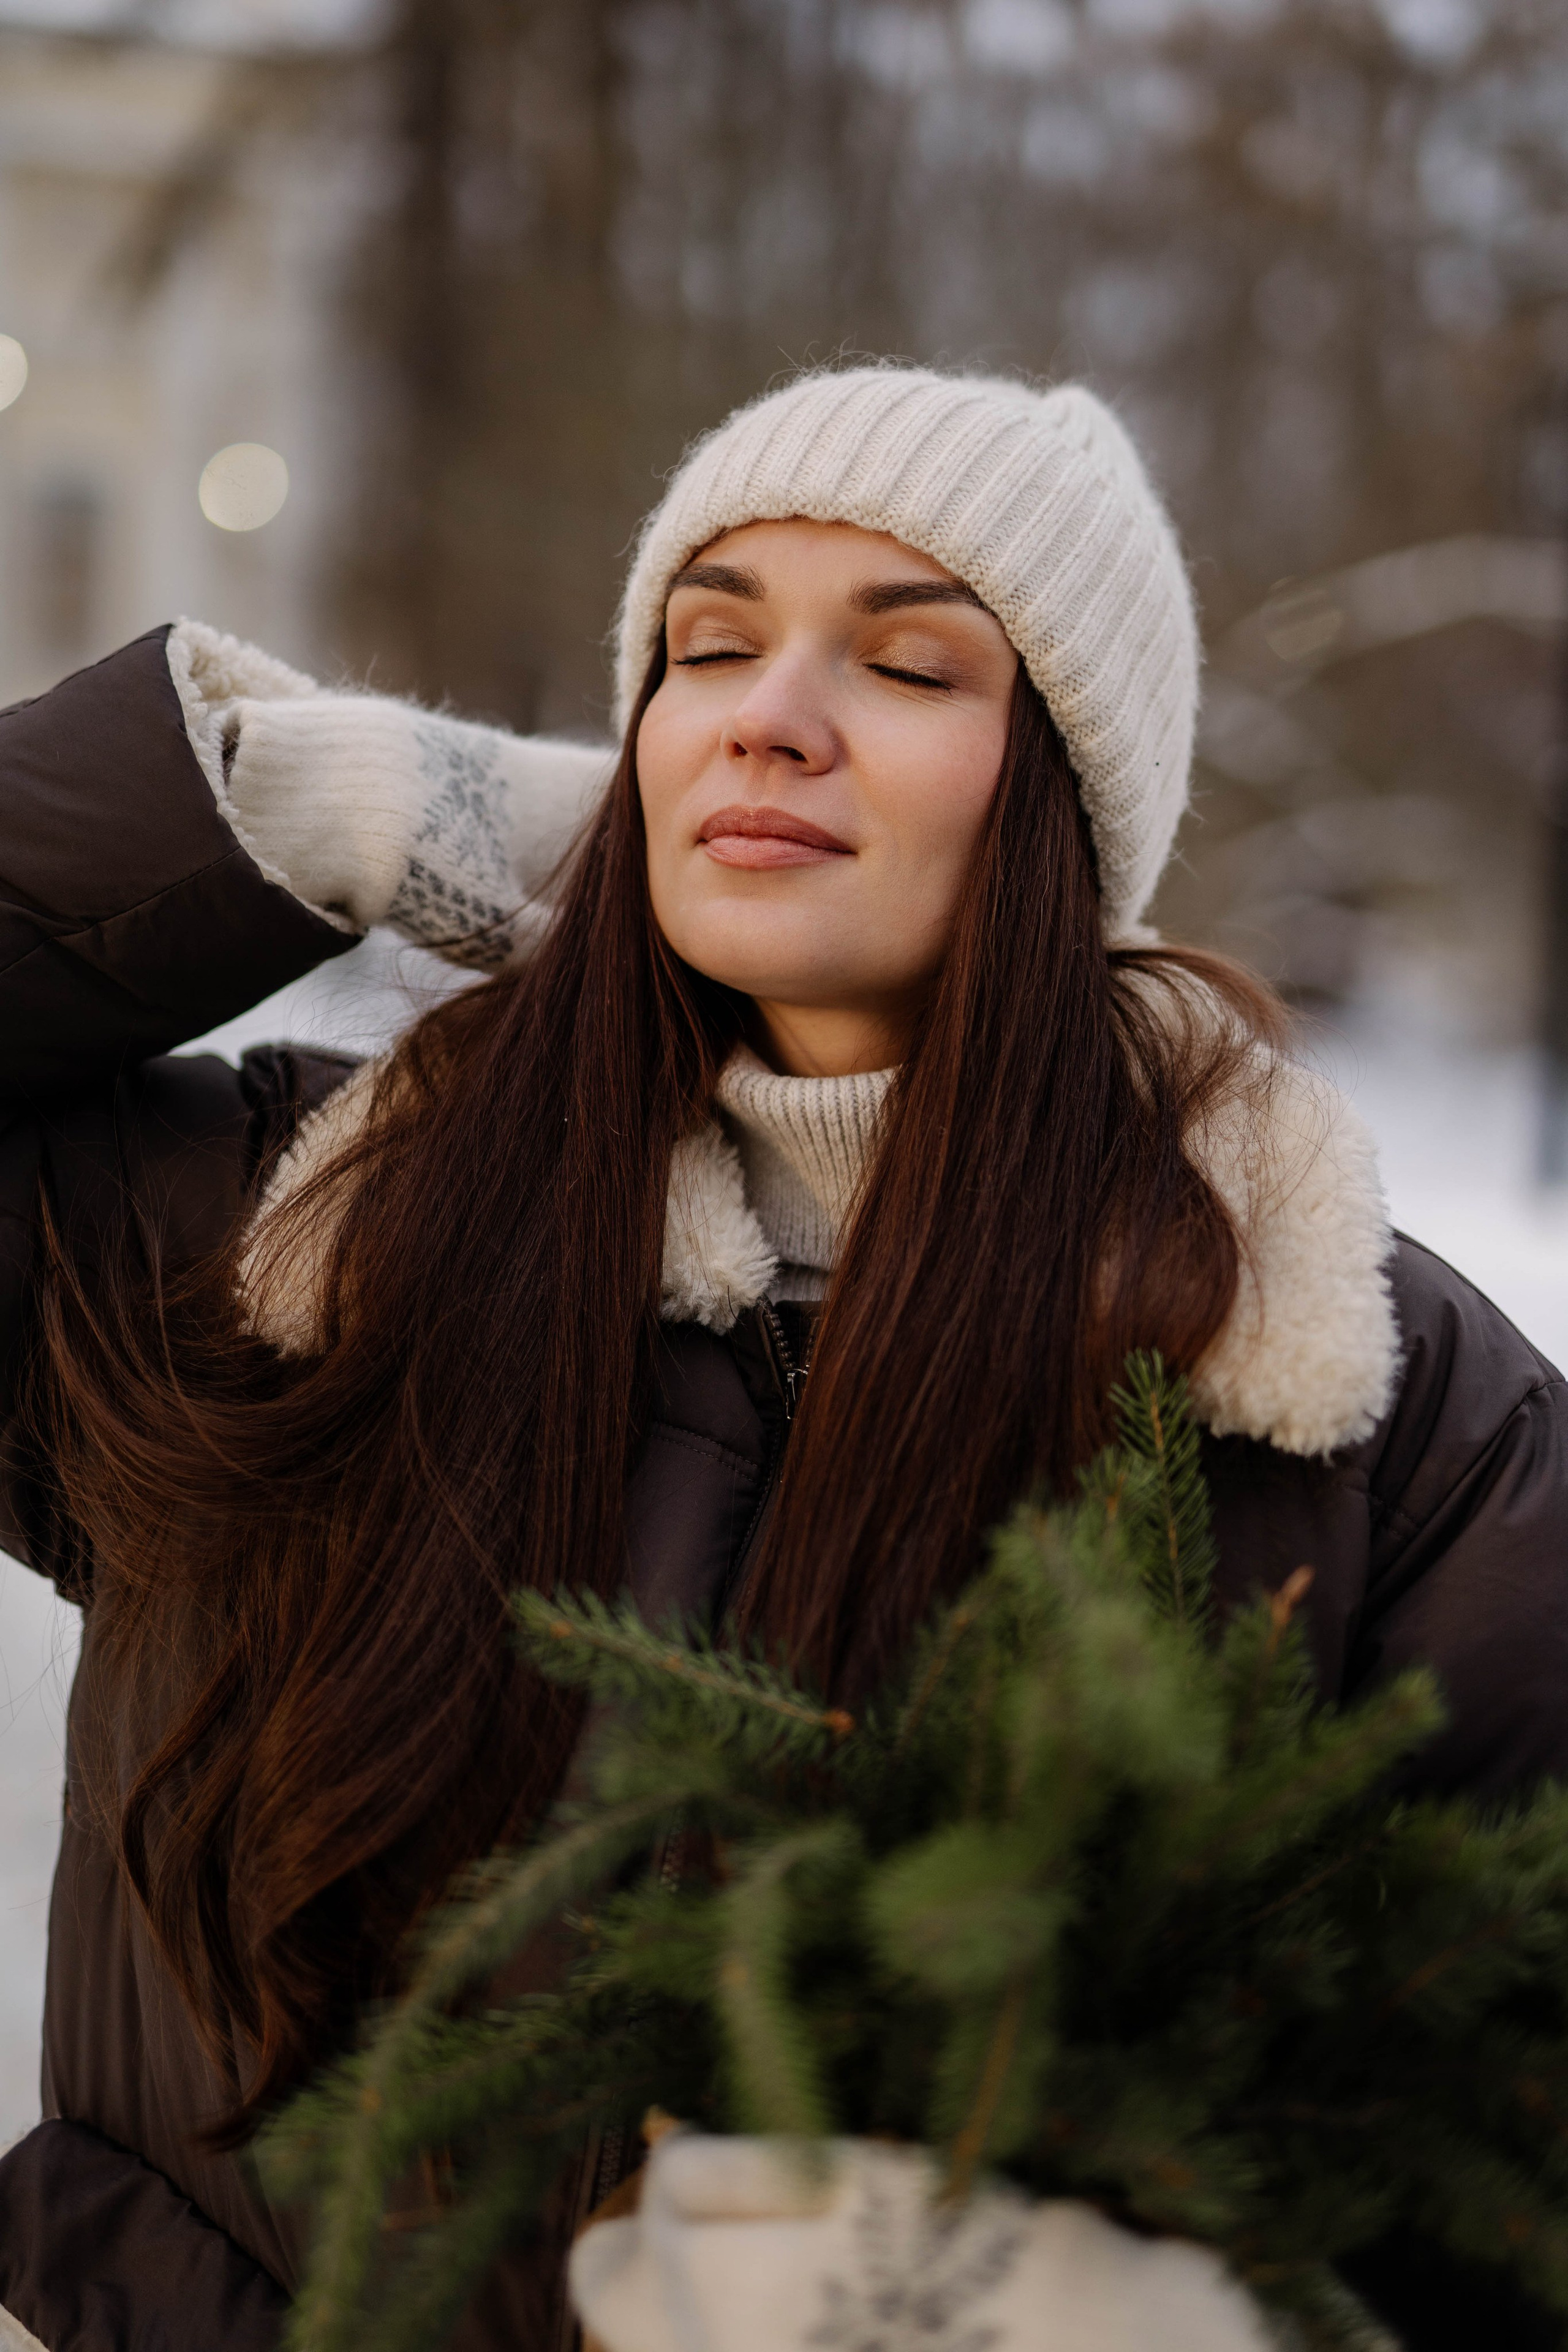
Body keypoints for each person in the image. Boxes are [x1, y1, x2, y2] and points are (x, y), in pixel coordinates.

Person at [0, 366, 1562, 2352]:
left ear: (1062, 804)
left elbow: (1507, 2125)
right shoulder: (289, 1229)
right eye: (708, 644)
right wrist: (326, 807)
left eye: (908, 668)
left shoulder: (1375, 1412)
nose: (766, 711)